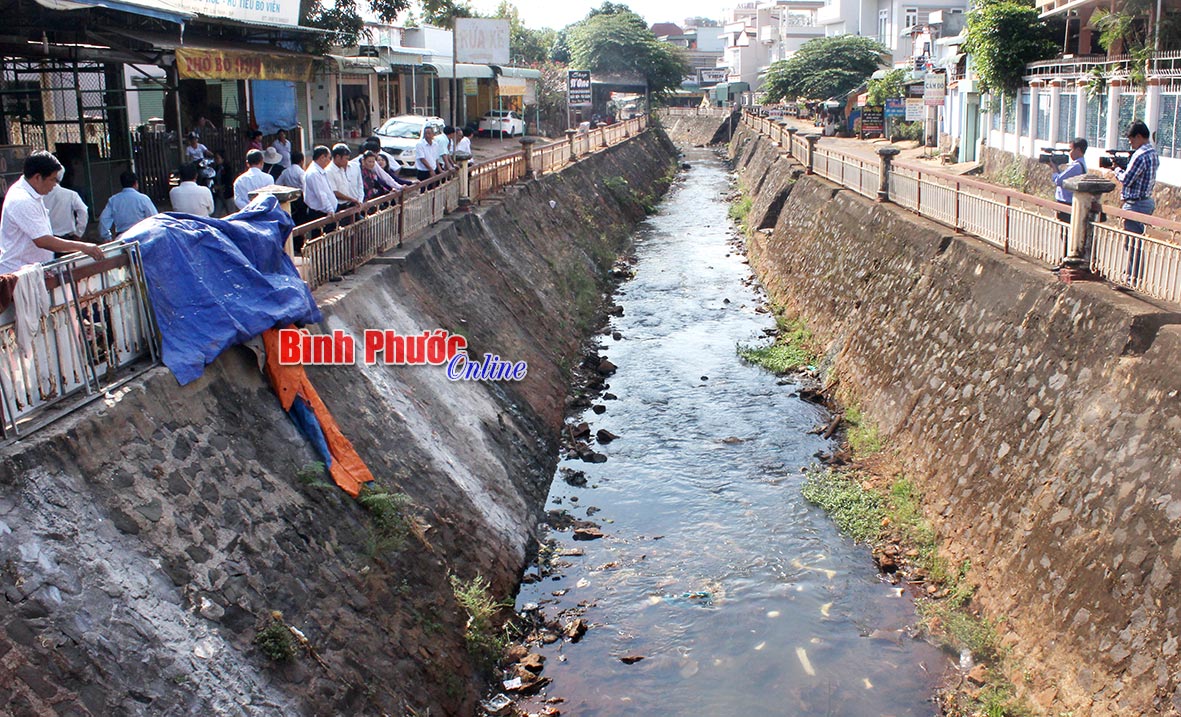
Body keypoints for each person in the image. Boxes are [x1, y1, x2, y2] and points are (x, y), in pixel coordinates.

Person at [0, 151, 103, 272]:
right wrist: (83, 247)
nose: (55, 185)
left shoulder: (33, 194)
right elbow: (42, 240)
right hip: (18, 274)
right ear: (37, 177)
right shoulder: (22, 199)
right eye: (52, 179)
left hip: (34, 270)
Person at [1113, 121, 1159, 284]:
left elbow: (1127, 179)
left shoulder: (1139, 155)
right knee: (1135, 242)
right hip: (1145, 201)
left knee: (1132, 243)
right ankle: (1133, 275)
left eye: (1132, 141)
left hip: (1135, 203)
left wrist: (1117, 170)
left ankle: (1133, 279)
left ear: (1139, 136)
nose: (1131, 145)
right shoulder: (1153, 153)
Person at [98, 171, 157, 241]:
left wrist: (107, 237)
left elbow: (103, 219)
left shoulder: (113, 200)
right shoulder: (143, 199)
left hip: (122, 238)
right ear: (135, 183)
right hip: (142, 236)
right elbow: (154, 218)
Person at [43, 171, 89, 241]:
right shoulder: (71, 194)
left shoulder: (40, 196)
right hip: (68, 238)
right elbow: (83, 211)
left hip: (47, 239)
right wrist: (78, 233)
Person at [1051, 137, 1088, 223]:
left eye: (1070, 149)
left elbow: (1059, 181)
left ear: (1078, 150)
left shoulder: (1076, 166)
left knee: (1065, 231)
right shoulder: (1081, 164)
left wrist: (1054, 167)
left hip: (1067, 202)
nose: (1069, 153)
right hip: (1070, 201)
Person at [326, 143, 362, 211]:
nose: (347, 161)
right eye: (346, 159)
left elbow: (359, 185)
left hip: (350, 204)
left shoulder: (344, 168)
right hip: (338, 206)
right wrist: (351, 199)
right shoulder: (329, 171)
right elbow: (334, 192)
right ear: (337, 157)